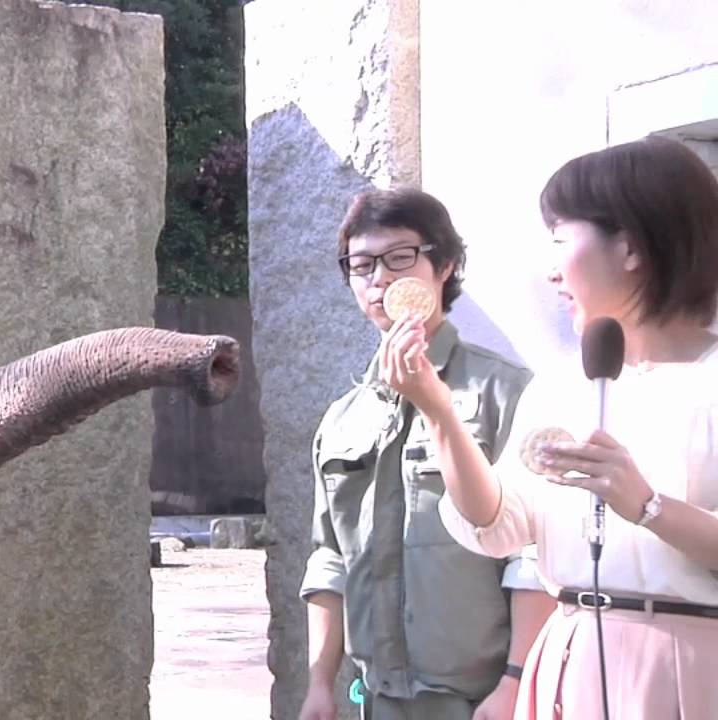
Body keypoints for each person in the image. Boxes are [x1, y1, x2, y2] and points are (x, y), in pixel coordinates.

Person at [388, 136, 718, 719]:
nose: (550, 272)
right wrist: (438, 410)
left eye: (561, 240)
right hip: (570, 657)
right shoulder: (563, 386)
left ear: (633, 247)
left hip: (691, 665)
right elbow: (498, 524)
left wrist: (646, 505)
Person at [299, 189, 554, 720]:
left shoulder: (504, 393)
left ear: (445, 266)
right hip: (376, 698)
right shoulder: (342, 417)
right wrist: (320, 683)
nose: (380, 279)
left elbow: (536, 556)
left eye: (399, 258)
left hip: (481, 699)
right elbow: (329, 559)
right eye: (361, 264)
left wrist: (514, 682)